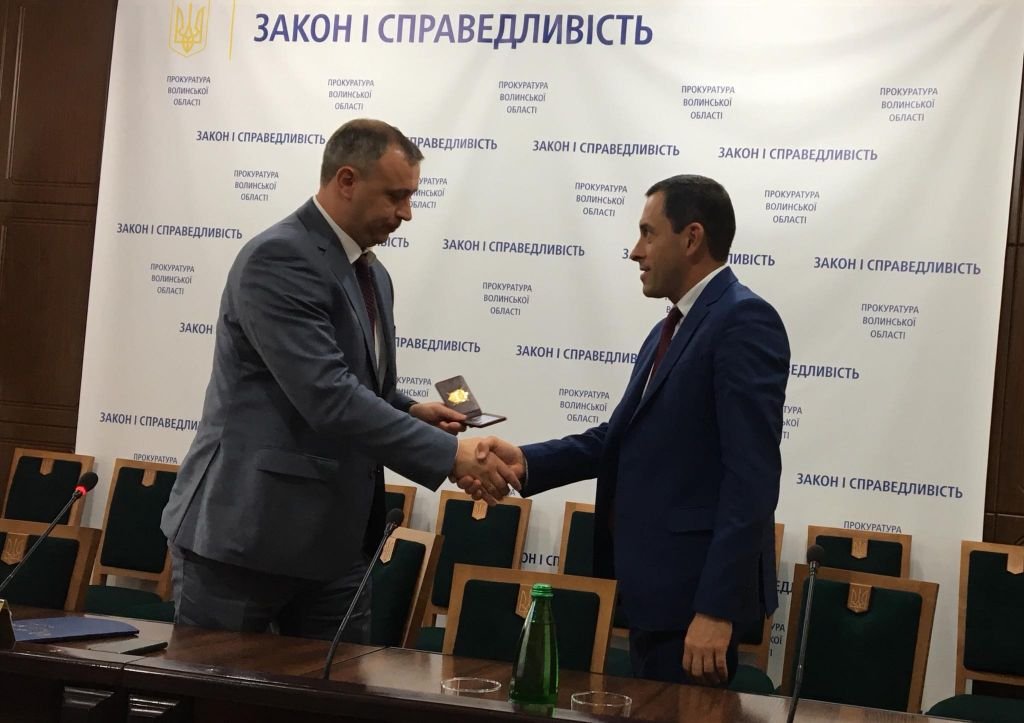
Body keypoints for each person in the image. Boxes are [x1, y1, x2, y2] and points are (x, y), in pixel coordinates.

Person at [160, 119, 517, 641]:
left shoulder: (373, 274)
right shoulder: (280, 257)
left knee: (339, 686)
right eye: (396, 196)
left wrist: (409, 410)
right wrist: (452, 457)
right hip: (246, 538)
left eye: (411, 196)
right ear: (346, 180)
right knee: (217, 688)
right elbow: (327, 396)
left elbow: (358, 387)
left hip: (337, 545)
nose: (407, 213)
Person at [470, 175, 790, 685]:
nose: (635, 251)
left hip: (693, 606)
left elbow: (751, 477)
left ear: (691, 238)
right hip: (652, 595)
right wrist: (525, 461)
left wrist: (717, 609)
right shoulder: (671, 327)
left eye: (648, 233)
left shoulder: (743, 320)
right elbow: (619, 438)